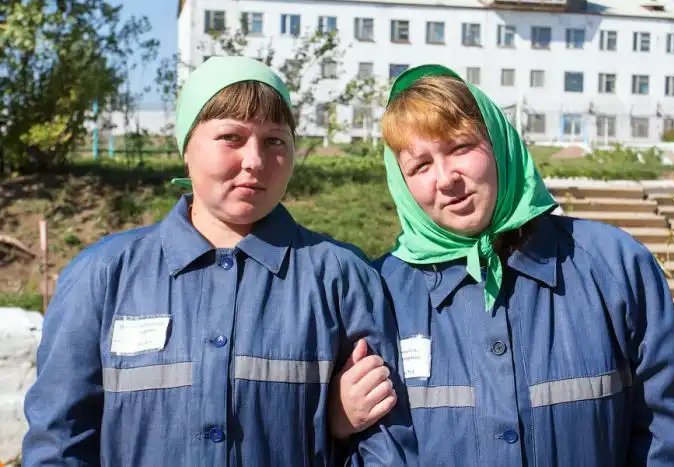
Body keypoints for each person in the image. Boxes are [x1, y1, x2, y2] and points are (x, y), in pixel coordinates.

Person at [21, 56, 415, 466]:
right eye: (231, 137)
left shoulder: (341, 277)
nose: (254, 160)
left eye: (274, 141)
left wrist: (333, 426)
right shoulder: (103, 276)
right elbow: (58, 441)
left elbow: (384, 446)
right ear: (186, 147)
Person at [332, 64, 674, 465]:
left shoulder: (615, 265)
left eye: (460, 147)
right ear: (401, 183)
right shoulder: (380, 292)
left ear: (500, 144)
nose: (446, 179)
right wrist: (335, 421)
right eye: (420, 166)